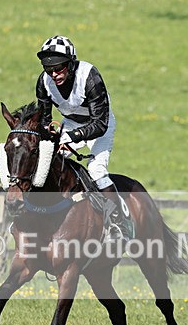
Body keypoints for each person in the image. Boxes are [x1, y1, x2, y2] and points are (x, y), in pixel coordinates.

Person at [34, 35, 125, 241]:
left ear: (71, 63)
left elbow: (99, 124)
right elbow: (45, 120)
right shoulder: (43, 82)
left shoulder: (89, 76)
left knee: (96, 170)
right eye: (49, 69)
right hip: (72, 123)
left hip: (101, 124)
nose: (54, 74)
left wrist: (72, 137)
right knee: (47, 163)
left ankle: (119, 223)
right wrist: (51, 136)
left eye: (59, 68)